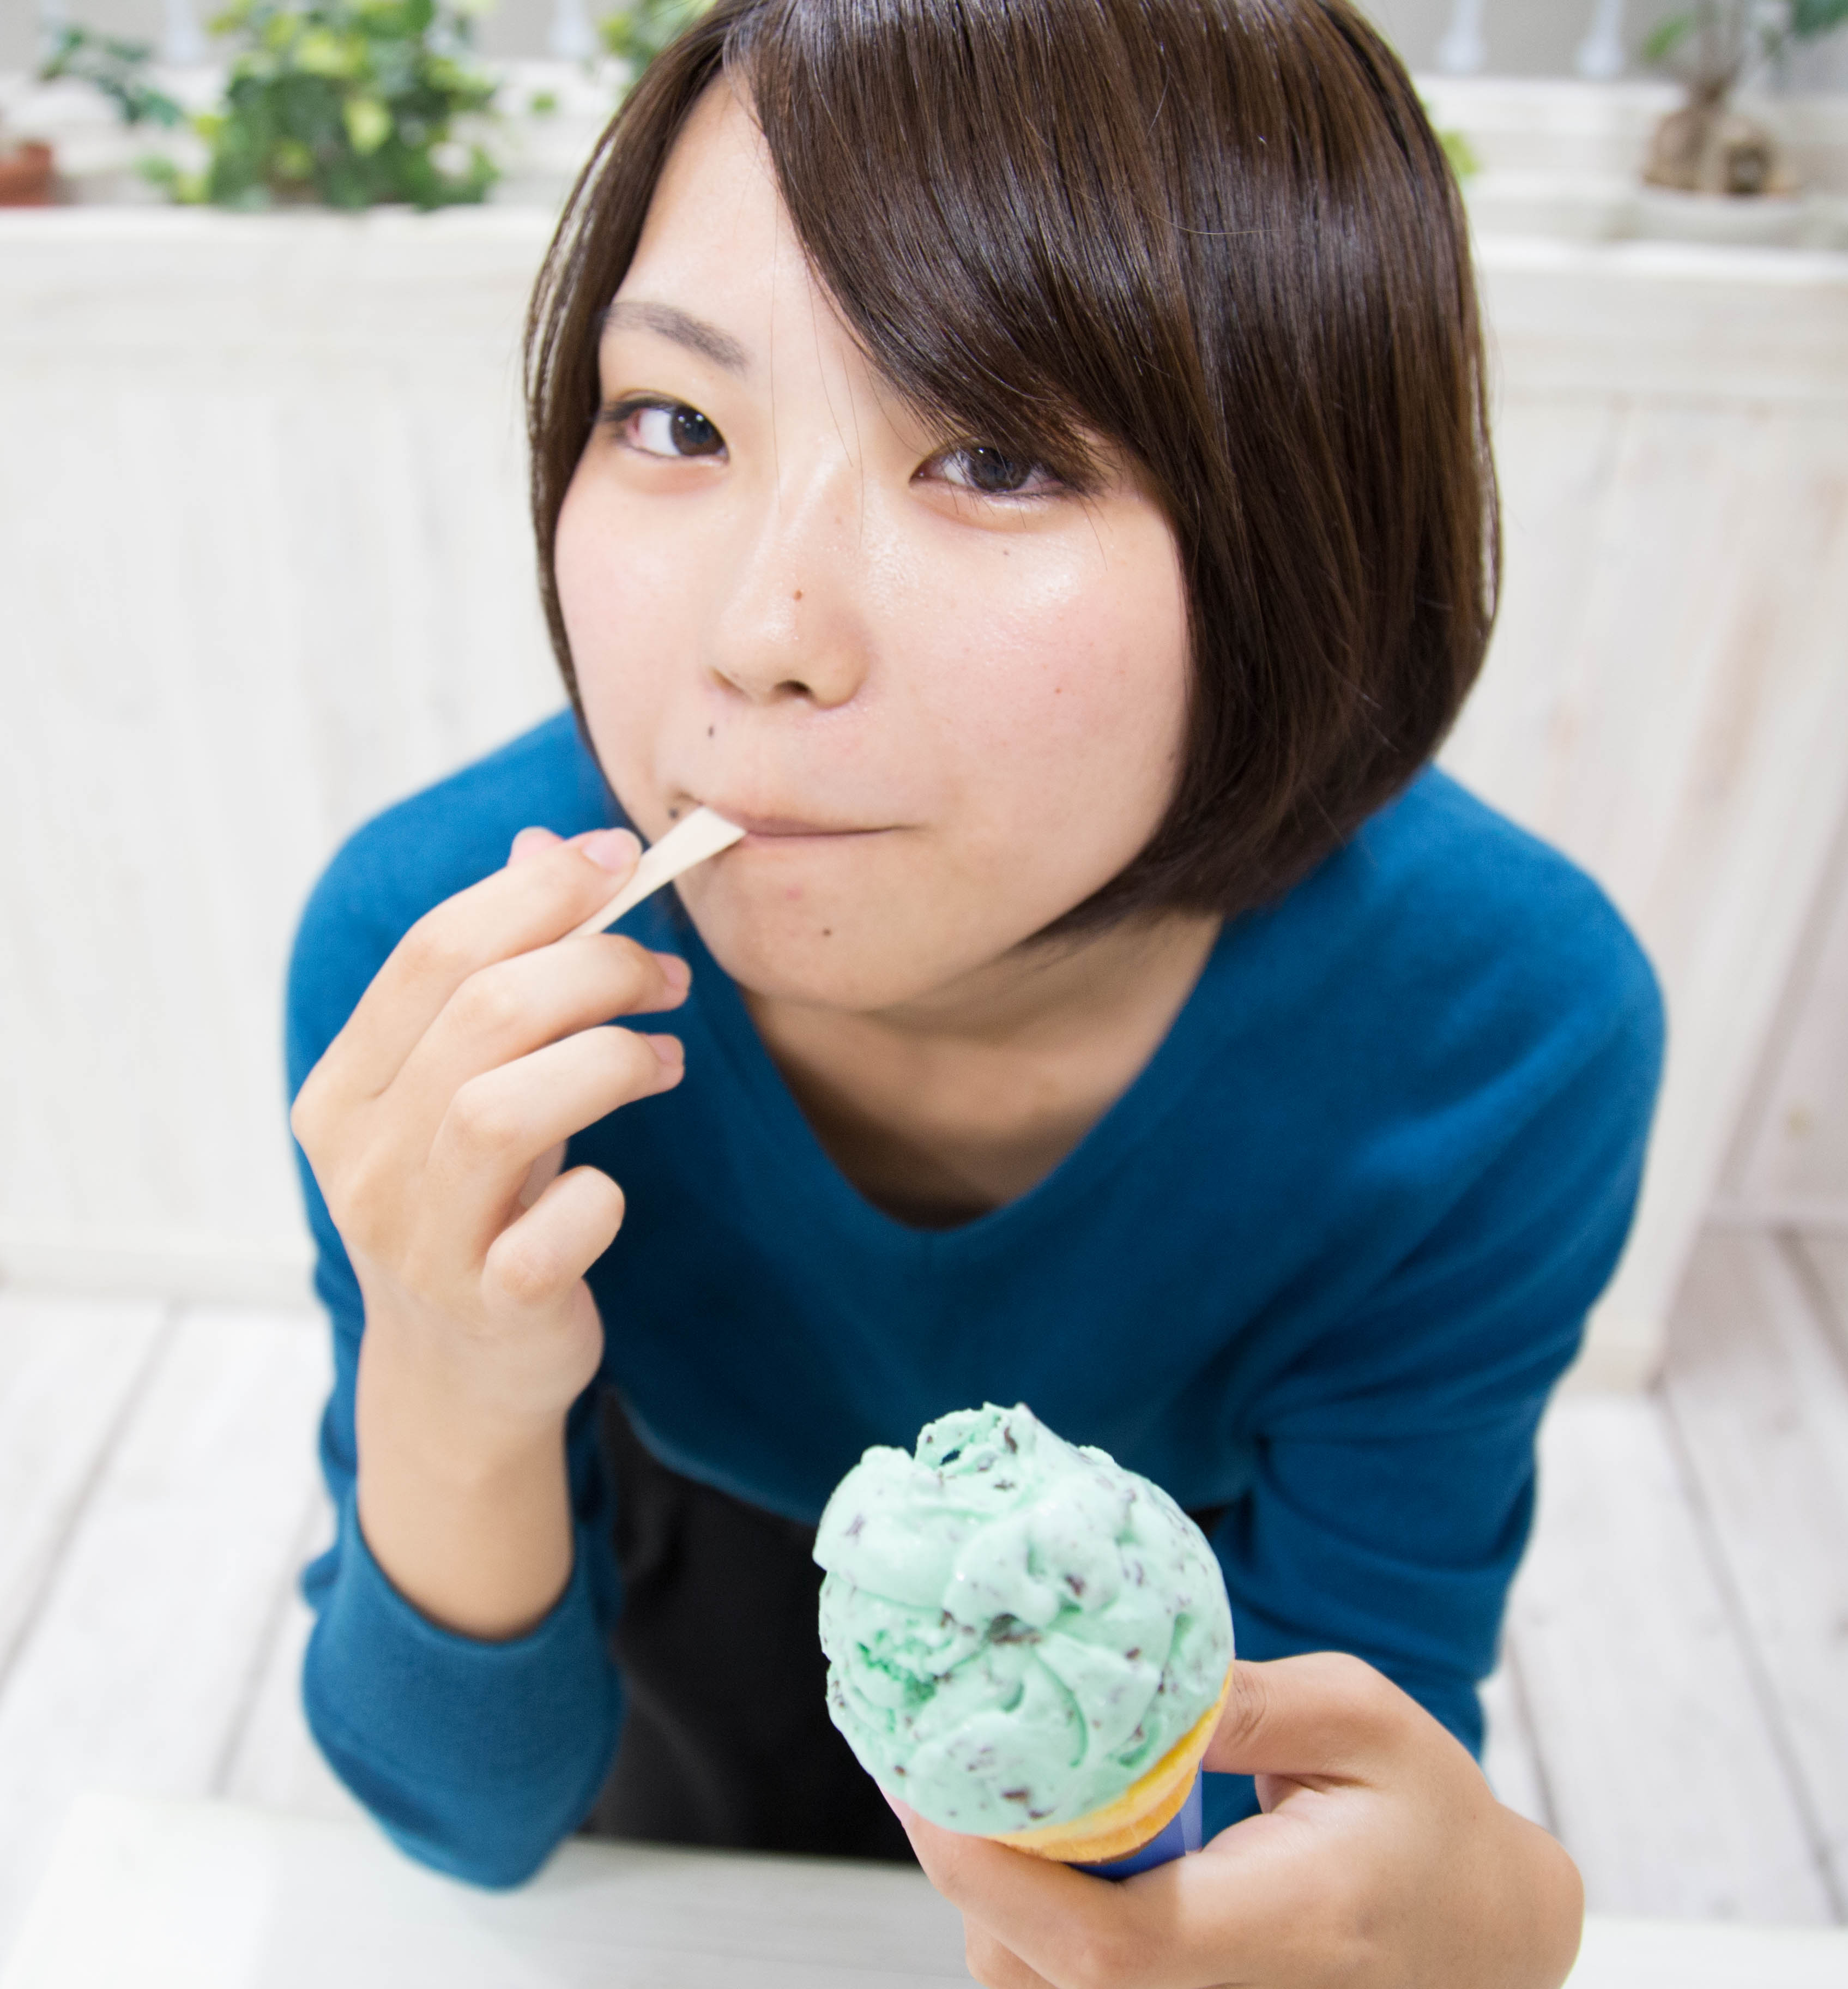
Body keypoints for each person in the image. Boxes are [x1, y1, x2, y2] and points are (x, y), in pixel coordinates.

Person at [282, 0, 1660, 1979]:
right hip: (674, 1606)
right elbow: (465, 1824)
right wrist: (445, 1368)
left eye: (995, 456)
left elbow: (1341, 1806)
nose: (762, 634)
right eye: (676, 423)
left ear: (1310, 534)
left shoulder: (1497, 1033)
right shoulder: (438, 958)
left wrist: (1497, 1922)